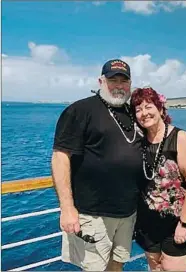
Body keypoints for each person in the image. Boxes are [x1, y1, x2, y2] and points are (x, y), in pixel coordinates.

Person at [51, 59, 143, 271]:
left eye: (123, 80)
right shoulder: (80, 110)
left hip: (128, 212)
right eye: (113, 80)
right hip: (93, 214)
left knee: (117, 264)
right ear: (101, 81)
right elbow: (60, 158)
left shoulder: (133, 113)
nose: (118, 85)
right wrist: (67, 208)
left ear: (130, 84)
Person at [130, 87, 186, 271]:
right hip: (148, 223)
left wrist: (184, 224)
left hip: (177, 222)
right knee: (155, 267)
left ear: (161, 109)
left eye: (149, 107)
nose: (144, 113)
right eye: (138, 110)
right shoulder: (138, 141)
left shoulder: (179, 138)